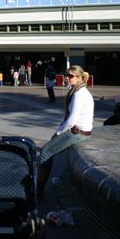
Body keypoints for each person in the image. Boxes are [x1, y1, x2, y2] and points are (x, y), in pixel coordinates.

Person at [37, 65, 94, 196]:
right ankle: (39, 185)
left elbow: (71, 120)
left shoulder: (79, 94)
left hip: (78, 133)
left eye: (70, 76)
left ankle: (39, 188)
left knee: (45, 152)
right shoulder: (79, 91)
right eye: (66, 75)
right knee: (48, 149)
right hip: (80, 131)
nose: (66, 78)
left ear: (79, 78)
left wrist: (58, 133)